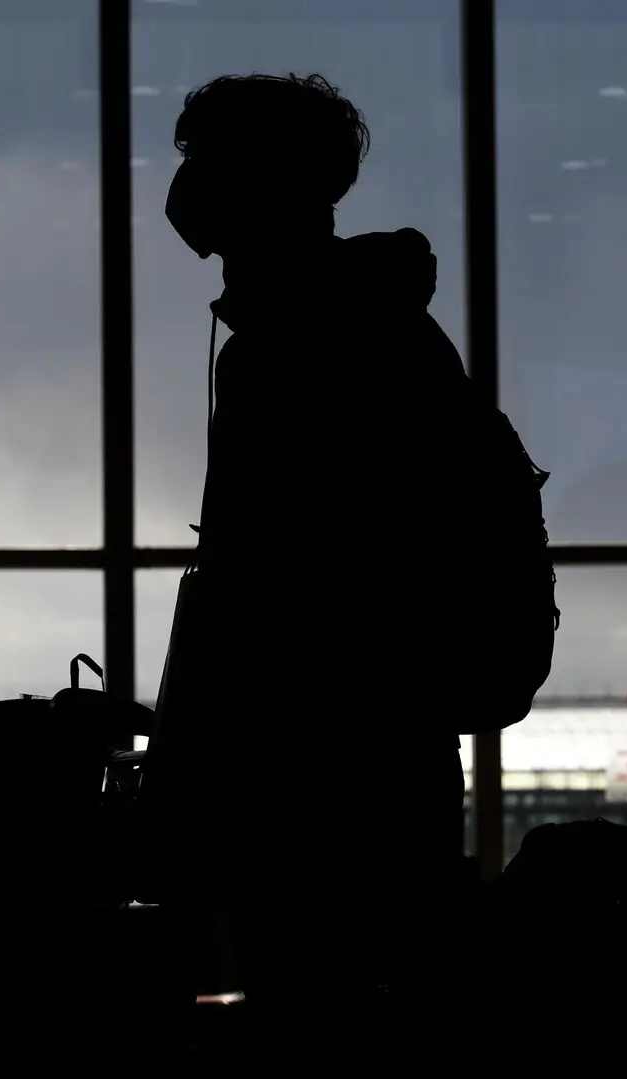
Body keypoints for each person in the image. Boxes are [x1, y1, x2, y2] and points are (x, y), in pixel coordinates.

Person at [158, 72, 484, 1055]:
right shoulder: (373, 325)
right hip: (379, 750)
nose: (186, 184)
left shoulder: (298, 346)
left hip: (318, 767)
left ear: (254, 182)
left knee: (310, 1007)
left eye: (202, 160)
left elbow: (276, 580)